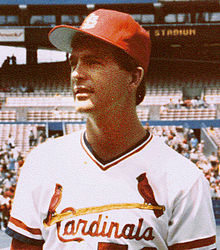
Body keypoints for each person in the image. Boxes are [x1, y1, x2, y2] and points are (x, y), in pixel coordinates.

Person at [6, 9, 216, 249]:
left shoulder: (184, 178)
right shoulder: (42, 163)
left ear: (133, 78)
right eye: (73, 62)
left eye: (93, 62)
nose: (77, 73)